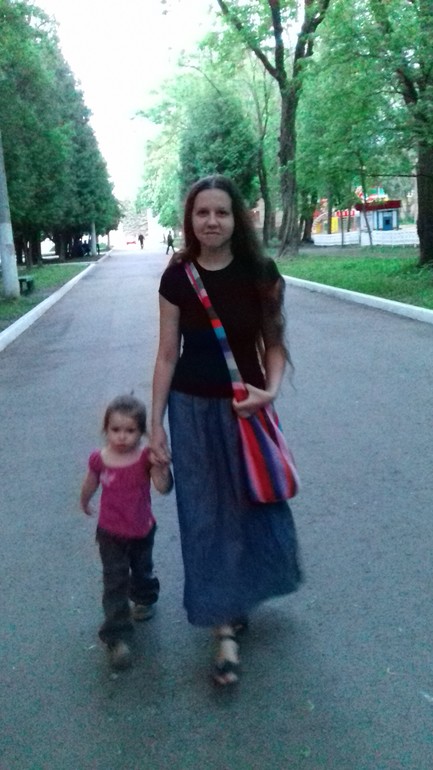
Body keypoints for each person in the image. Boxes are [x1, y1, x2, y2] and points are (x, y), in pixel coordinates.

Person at [151, 175, 302, 686]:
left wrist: (270, 392)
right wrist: (156, 426)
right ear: (190, 220)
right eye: (202, 213)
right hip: (190, 410)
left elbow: (274, 343)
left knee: (253, 503)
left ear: (238, 218)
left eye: (221, 212)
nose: (211, 221)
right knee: (203, 515)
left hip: (245, 409)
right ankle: (223, 627)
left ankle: (240, 596)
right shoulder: (177, 277)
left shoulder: (261, 273)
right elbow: (166, 354)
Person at [80, 394, 173, 670]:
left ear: (141, 432)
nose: (122, 436)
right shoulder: (99, 459)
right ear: (106, 429)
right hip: (110, 533)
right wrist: (84, 500)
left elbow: (161, 487)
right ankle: (116, 636)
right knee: (115, 581)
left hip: (142, 529)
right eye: (116, 429)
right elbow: (91, 482)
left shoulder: (144, 458)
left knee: (142, 569)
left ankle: (144, 597)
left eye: (130, 430)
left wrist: (162, 467)